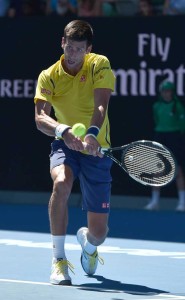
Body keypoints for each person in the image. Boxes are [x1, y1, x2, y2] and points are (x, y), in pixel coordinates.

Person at [34, 20, 115, 285]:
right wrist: (63, 131)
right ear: (62, 43)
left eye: (79, 50)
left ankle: (89, 245)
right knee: (61, 183)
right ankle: (59, 261)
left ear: (88, 49)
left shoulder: (99, 64)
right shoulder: (49, 75)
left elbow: (101, 106)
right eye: (69, 48)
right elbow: (40, 118)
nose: (73, 55)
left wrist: (91, 133)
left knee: (99, 233)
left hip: (96, 151)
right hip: (64, 144)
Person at [145, 80, 185, 212]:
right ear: (161, 93)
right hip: (160, 136)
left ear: (172, 93)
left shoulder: (177, 106)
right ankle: (155, 201)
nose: (167, 94)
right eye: (164, 91)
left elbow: (182, 124)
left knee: (177, 170)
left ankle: (182, 202)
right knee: (157, 169)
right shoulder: (156, 106)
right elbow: (157, 120)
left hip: (174, 137)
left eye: (169, 91)